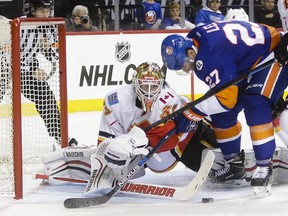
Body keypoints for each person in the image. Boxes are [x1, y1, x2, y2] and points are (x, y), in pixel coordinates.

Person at [40, 62, 219, 194]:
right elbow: (106, 141)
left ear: (162, 85)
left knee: (200, 167)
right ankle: (67, 161)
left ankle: (226, 157)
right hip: (140, 151)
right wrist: (112, 156)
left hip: (178, 145)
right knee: (115, 158)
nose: (149, 91)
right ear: (135, 83)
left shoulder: (169, 99)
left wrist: (141, 141)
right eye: (144, 85)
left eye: (154, 85)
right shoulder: (115, 100)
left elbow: (171, 138)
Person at [161, 20, 288, 196]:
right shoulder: (195, 41)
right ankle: (234, 164)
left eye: (185, 65)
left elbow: (226, 99)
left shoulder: (206, 56)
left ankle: (263, 167)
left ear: (191, 53)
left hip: (272, 54)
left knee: (256, 105)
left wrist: (192, 112)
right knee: (221, 115)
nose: (188, 69)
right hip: (248, 61)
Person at [12, 0, 62, 145]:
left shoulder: (49, 27)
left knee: (46, 96)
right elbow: (9, 55)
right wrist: (33, 69)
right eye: (42, 11)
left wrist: (48, 49)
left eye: (48, 11)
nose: (45, 15)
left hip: (26, 70)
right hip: (5, 68)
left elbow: (56, 55)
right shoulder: (18, 24)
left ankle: (60, 135)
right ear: (32, 10)